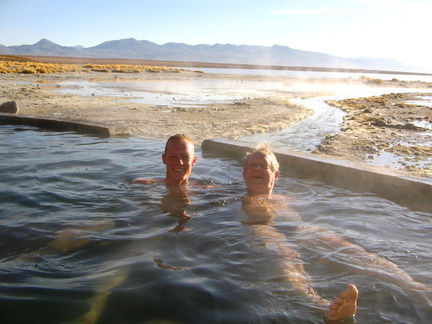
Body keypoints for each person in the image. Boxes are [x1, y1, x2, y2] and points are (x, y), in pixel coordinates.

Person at [241, 142, 432, 322]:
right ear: (245, 173)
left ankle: (417, 288)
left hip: (301, 230)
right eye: (253, 165)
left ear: (276, 174)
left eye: (264, 165)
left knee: (351, 250)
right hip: (261, 227)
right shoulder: (234, 196)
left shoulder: (287, 199)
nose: (258, 169)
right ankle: (327, 308)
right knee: (285, 257)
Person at [132, 134, 198, 186]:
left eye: (185, 157)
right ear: (164, 159)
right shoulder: (142, 185)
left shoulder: (204, 192)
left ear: (194, 160)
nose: (179, 162)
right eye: (173, 156)